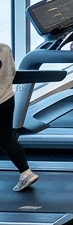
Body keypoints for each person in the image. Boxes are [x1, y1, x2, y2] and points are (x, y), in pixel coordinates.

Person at [1, 41, 38, 191]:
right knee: (6, 138)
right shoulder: (5, 48)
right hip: (6, 99)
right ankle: (26, 173)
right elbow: (12, 73)